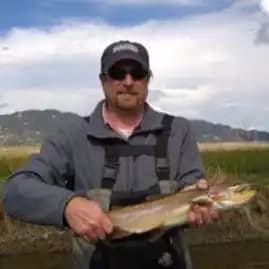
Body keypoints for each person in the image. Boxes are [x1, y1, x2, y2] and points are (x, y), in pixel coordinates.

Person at [3, 40, 218, 269]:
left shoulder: (179, 131)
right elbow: (15, 190)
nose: (128, 82)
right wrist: (66, 206)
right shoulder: (72, 135)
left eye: (137, 73)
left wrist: (196, 202)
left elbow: (192, 182)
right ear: (103, 80)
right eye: (118, 73)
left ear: (148, 80)